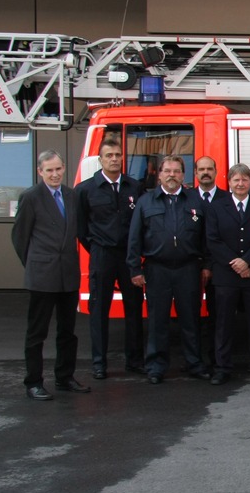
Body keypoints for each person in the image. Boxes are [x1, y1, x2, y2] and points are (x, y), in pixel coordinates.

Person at [127, 155, 211, 384]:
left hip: (188, 269)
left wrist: (206, 265)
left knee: (191, 320)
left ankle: (194, 363)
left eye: (176, 171)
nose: (172, 175)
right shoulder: (146, 202)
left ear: (184, 175)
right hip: (157, 270)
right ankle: (156, 366)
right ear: (160, 174)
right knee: (157, 322)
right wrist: (135, 268)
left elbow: (206, 238)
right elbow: (134, 238)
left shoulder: (195, 201)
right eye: (167, 171)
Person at [13, 150, 88, 400]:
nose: (55, 174)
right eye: (49, 170)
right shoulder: (31, 197)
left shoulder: (70, 195)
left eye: (58, 169)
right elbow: (20, 237)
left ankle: (65, 377)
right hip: (42, 275)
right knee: (37, 333)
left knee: (68, 331)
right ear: (40, 172)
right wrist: (35, 264)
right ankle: (33, 382)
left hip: (68, 273)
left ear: (64, 168)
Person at [75, 138, 145, 380]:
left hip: (129, 256)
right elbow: (80, 228)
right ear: (100, 160)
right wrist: (96, 247)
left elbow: (141, 225)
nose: (114, 159)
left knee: (134, 309)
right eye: (109, 155)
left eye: (117, 155)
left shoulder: (134, 187)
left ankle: (134, 360)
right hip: (102, 255)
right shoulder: (85, 190)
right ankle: (99, 363)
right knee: (99, 310)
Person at [205, 163, 250, 384]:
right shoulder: (216, 207)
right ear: (229, 182)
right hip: (226, 276)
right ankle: (222, 368)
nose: (240, 184)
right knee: (224, 324)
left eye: (244, 180)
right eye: (236, 180)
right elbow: (212, 240)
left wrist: (249, 262)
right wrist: (235, 263)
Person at [194, 156, 229, 371]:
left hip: (220, 267)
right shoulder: (186, 199)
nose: (205, 172)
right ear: (196, 173)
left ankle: (218, 360)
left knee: (219, 317)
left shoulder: (227, 198)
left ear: (216, 172)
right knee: (191, 316)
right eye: (201, 169)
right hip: (192, 267)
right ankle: (196, 361)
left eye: (209, 169)